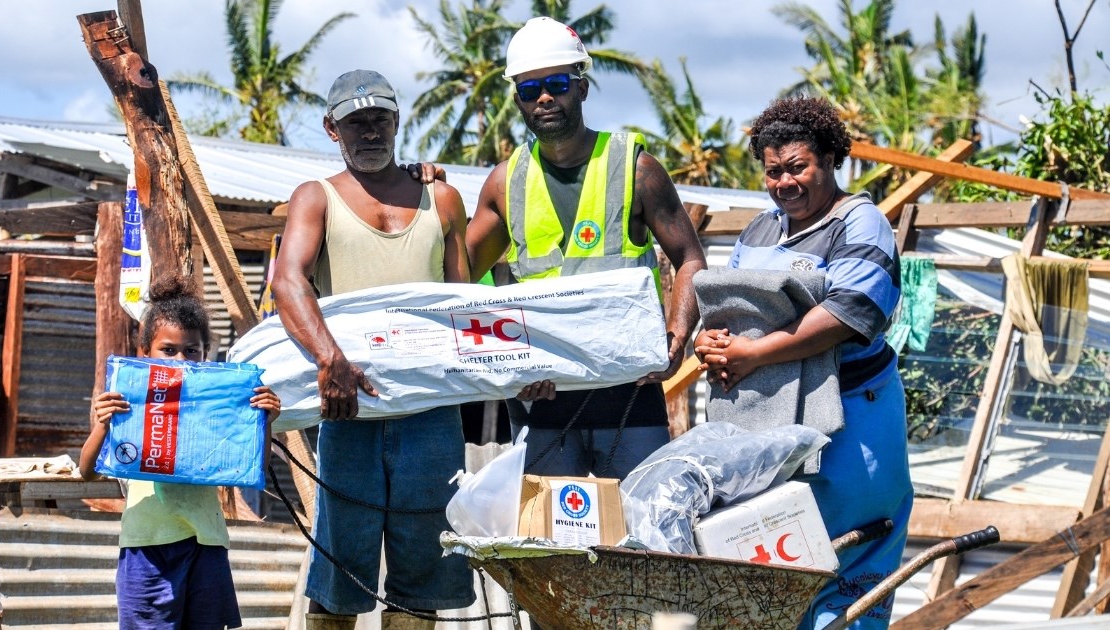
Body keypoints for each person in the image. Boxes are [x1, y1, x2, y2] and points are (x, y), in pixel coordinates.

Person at [694, 96, 913, 629]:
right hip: (770, 422)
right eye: (773, 172)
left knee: (851, 556)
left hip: (854, 417)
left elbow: (850, 312)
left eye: (797, 167)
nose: (784, 183)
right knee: (776, 556)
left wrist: (753, 353)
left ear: (830, 159)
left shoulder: (859, 222)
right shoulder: (761, 230)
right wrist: (715, 342)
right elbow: (732, 303)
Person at [270, 69, 475, 630]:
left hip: (432, 413)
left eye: (379, 120)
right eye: (355, 123)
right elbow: (287, 281)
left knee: (423, 573)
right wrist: (328, 358)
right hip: (347, 409)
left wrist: (510, 370)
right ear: (331, 129)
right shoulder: (316, 198)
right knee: (341, 572)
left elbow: (467, 303)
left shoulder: (443, 199)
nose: (369, 133)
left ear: (397, 122)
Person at [464, 16, 707, 480]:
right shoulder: (504, 181)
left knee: (641, 537)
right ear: (517, 99)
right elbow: (457, 276)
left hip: (628, 393)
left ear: (582, 87)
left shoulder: (636, 168)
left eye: (556, 83)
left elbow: (690, 258)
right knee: (551, 543)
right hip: (542, 399)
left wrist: (676, 340)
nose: (544, 98)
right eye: (529, 89)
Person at [78, 274, 282, 630]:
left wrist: (263, 422)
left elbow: (249, 471)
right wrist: (103, 424)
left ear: (205, 355)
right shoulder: (129, 402)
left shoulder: (216, 407)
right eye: (167, 350)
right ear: (144, 353)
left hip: (206, 541)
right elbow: (88, 471)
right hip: (147, 546)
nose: (179, 359)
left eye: (191, 351)